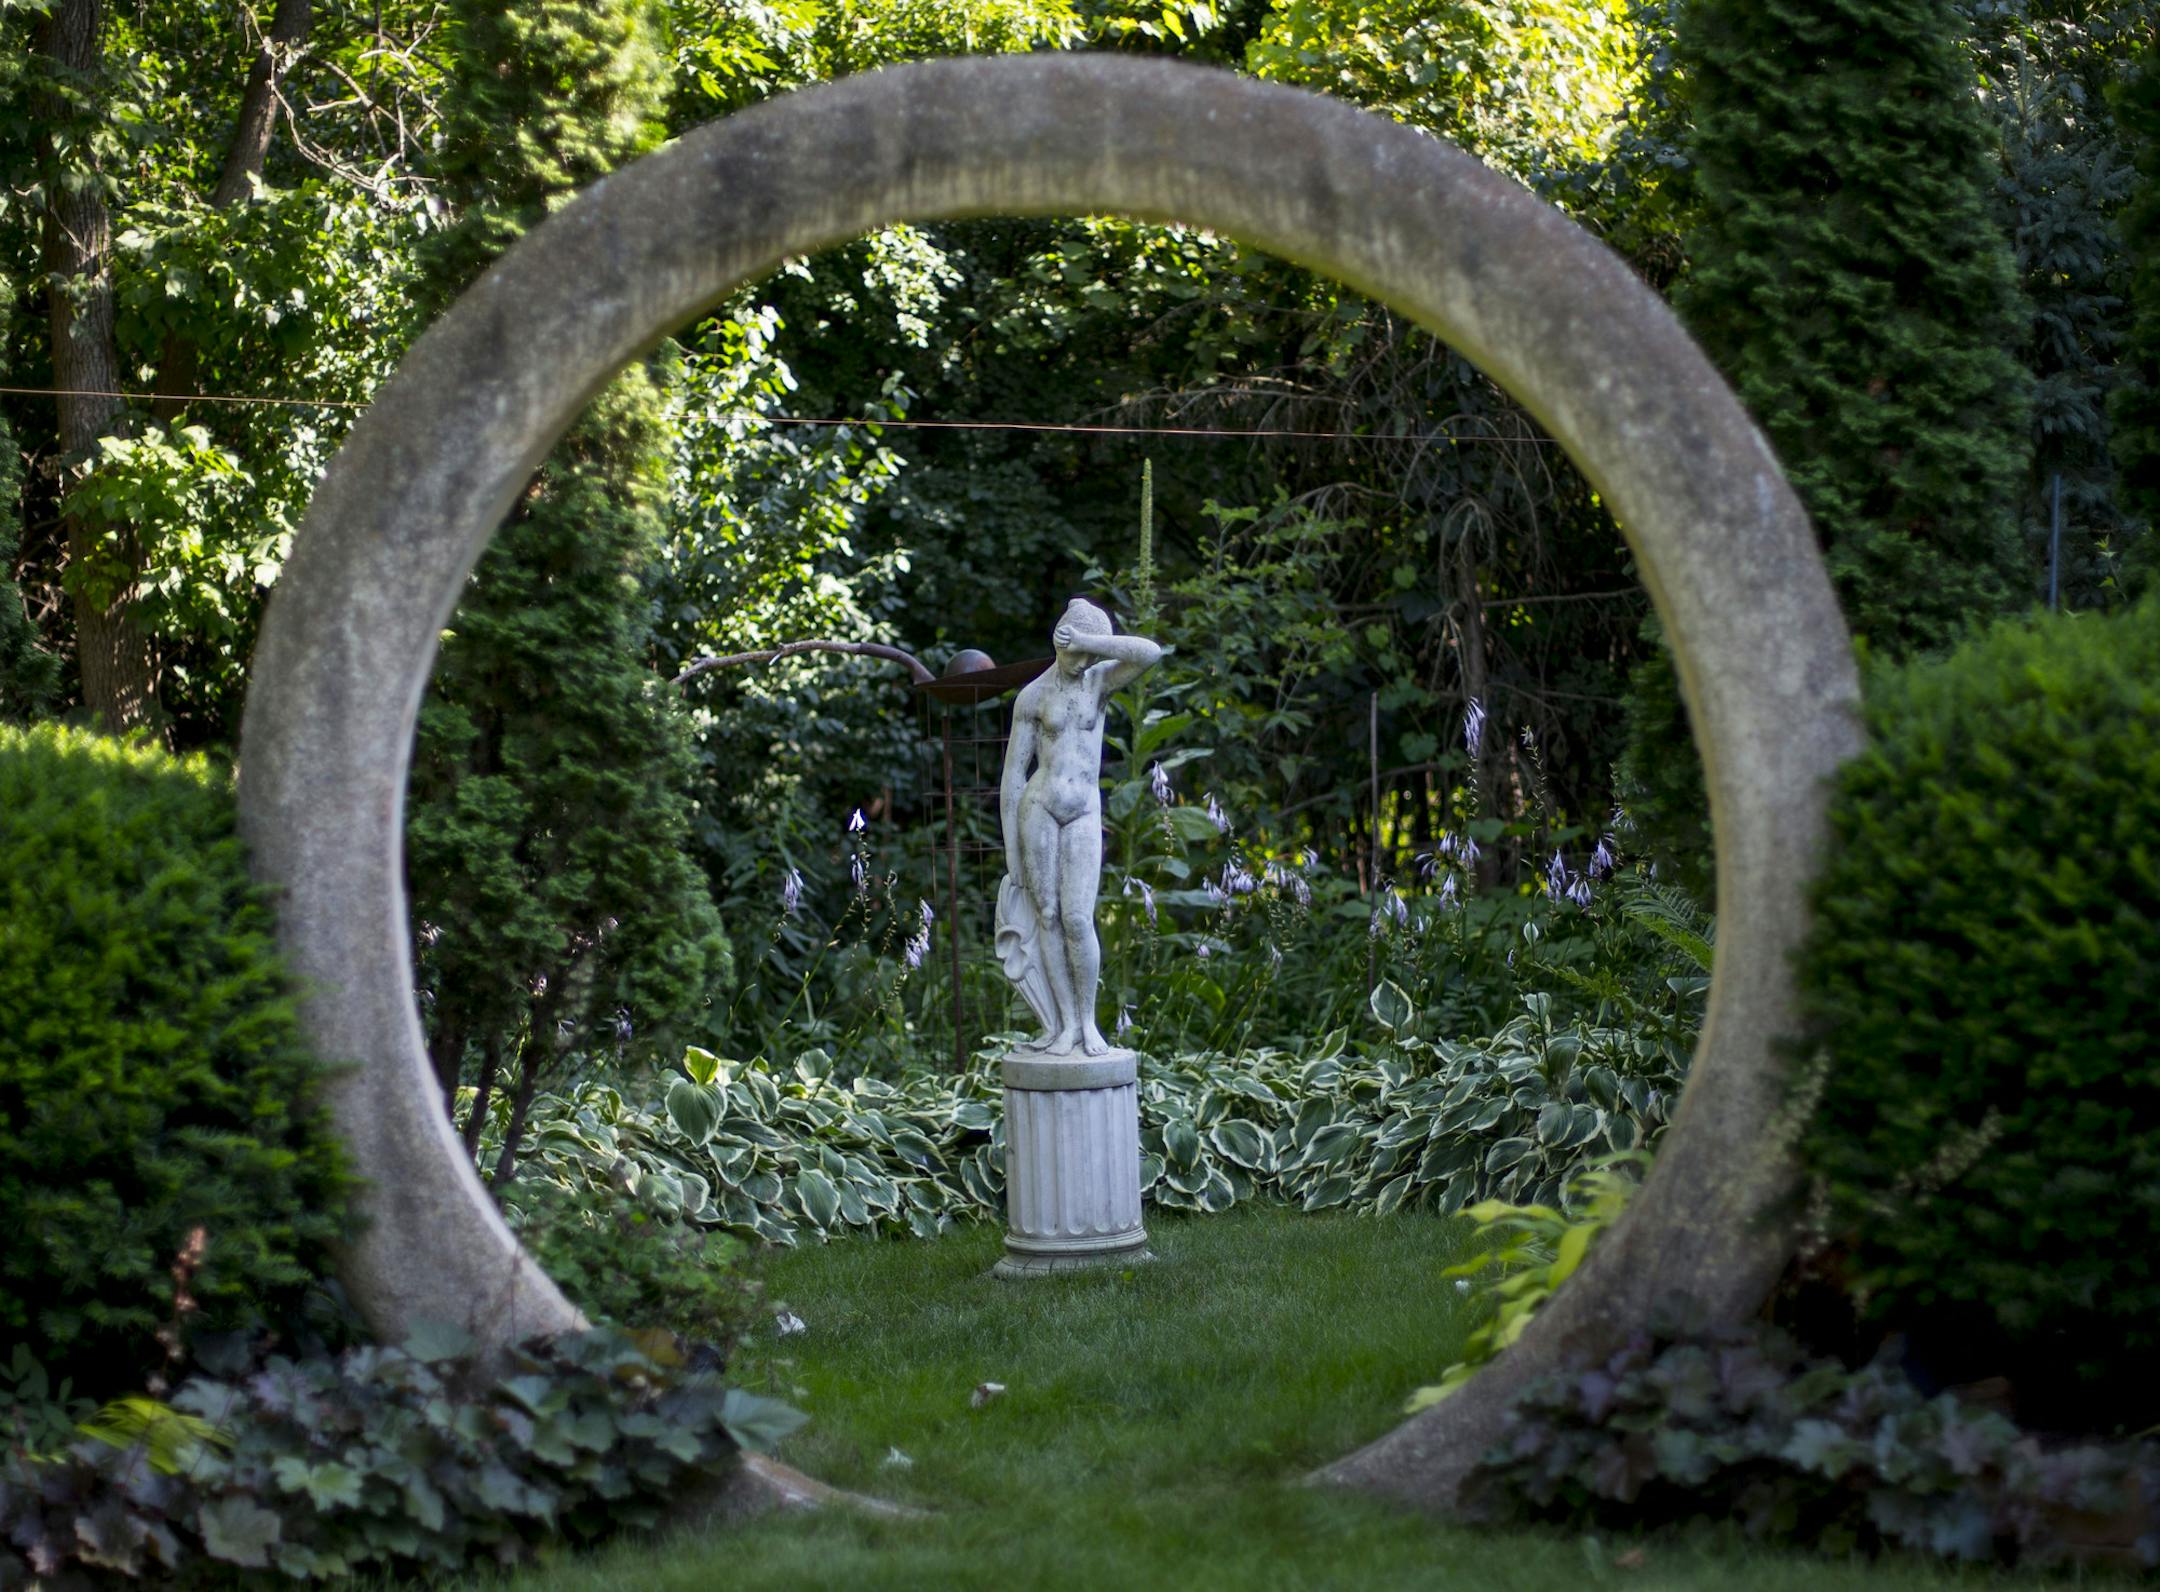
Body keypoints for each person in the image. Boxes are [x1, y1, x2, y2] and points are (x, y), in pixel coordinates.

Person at [996, 598, 1163, 1056]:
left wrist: (1089, 643)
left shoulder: (1099, 682)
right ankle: (1066, 1025)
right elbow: (1013, 777)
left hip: (1084, 812)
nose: (1084, 662)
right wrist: (1012, 849)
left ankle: (1088, 1023)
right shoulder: (1033, 696)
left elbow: (1149, 653)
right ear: (1058, 640)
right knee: (1047, 915)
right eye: (1077, 652)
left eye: (1091, 654)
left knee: (1076, 918)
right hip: (1040, 808)